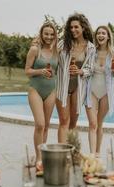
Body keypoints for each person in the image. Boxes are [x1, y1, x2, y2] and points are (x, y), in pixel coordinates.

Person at [56, 13, 95, 143]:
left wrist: (81, 71)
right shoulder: (63, 44)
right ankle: (61, 154)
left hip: (78, 88)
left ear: (83, 27)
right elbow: (50, 53)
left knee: (72, 124)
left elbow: (91, 69)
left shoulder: (90, 47)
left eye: (76, 27)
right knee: (63, 122)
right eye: (71, 27)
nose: (73, 30)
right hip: (62, 86)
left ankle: (70, 153)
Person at [25, 22, 58, 175]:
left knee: (46, 126)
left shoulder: (57, 51)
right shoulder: (34, 50)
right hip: (35, 89)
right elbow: (27, 71)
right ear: (41, 33)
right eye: (46, 34)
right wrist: (40, 71)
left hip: (51, 89)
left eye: (52, 34)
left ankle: (43, 156)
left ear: (55, 35)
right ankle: (38, 158)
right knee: (39, 124)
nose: (49, 37)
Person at [85, 25, 114, 156]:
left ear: (108, 36)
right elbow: (87, 69)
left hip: (106, 92)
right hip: (92, 91)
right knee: (92, 124)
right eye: (98, 33)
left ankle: (98, 153)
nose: (100, 35)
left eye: (103, 33)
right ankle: (92, 155)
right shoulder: (91, 52)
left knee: (99, 124)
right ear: (96, 36)